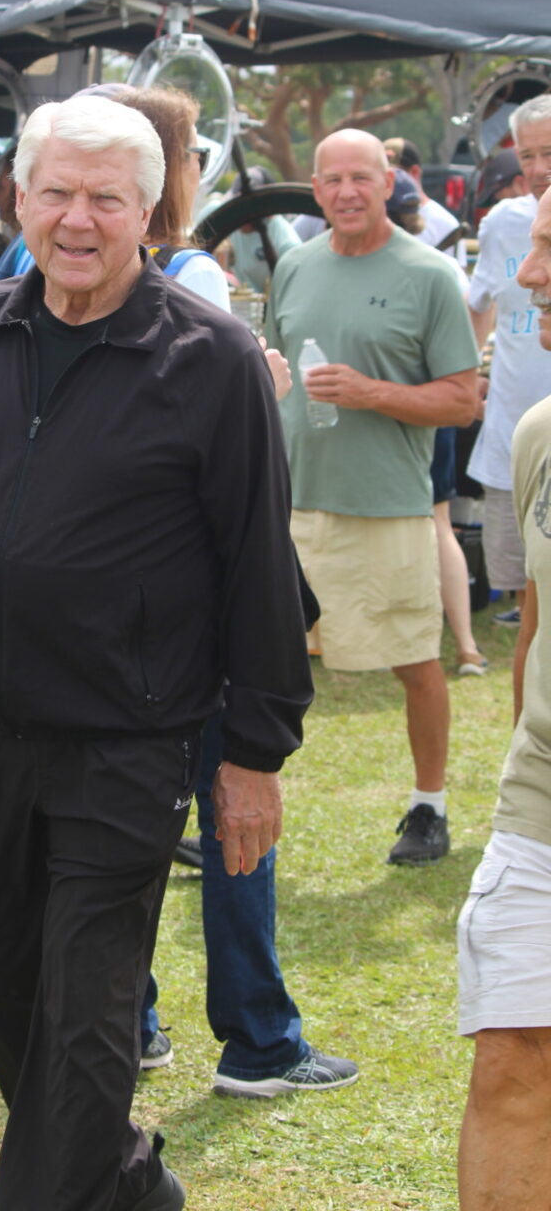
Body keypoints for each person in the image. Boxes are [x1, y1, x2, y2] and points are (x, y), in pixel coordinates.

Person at [0, 95, 315, 1211]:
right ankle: (134, 1189)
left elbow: (255, 568)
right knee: (1, 998)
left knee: (85, 1034)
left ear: (148, 211)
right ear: (17, 199)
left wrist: (254, 755)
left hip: (126, 751)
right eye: (57, 192)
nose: (77, 219)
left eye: (106, 198)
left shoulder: (212, 359)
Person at [115, 85, 357, 1098]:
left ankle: (129, 1017)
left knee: (128, 819)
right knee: (235, 820)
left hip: (116, 602)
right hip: (204, 602)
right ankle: (257, 1037)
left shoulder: (54, 276)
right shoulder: (192, 283)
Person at [266, 129, 479, 866]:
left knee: (415, 660)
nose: (348, 192)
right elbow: (274, 373)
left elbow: (462, 400)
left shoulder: (428, 275)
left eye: (362, 176)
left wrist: (370, 393)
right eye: (332, 179)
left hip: (386, 506)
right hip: (288, 508)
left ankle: (430, 809)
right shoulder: (294, 266)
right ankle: (231, 806)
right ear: (315, 188)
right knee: (244, 660)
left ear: (388, 181)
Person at [456, 181, 551, 1211]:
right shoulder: (536, 434)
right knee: (511, 1065)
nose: (527, 276)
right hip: (543, 807)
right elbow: (532, 626)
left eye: (549, 250)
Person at [386, 172, 486, 677]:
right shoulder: (445, 266)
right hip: (437, 407)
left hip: (408, 414)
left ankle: (426, 645)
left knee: (420, 526)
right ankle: (465, 644)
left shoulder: (407, 268)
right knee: (440, 523)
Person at [466, 96, 551, 629]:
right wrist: (471, 373)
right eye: (528, 156)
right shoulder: (502, 223)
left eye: (550, 153)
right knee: (529, 613)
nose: (539, 169)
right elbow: (480, 305)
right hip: (514, 441)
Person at [384, 136, 467, 265]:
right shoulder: (377, 216)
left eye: (394, 173)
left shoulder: (444, 223)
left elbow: (458, 277)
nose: (387, 179)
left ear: (415, 172)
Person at [224, 166, 301, 293]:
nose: (242, 213)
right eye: (238, 206)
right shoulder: (227, 224)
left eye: (249, 207)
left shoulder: (287, 244)